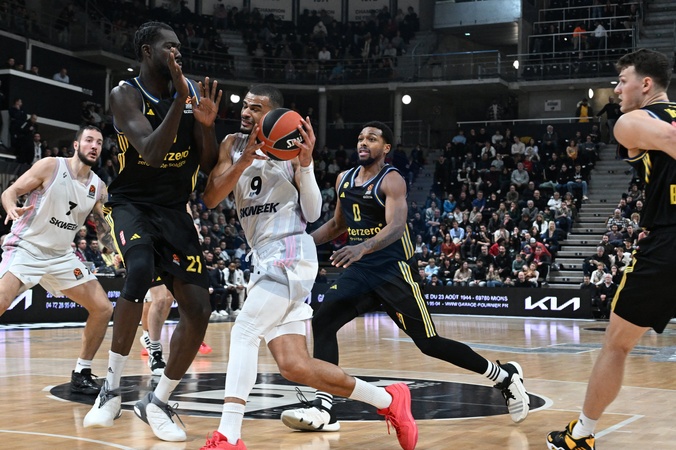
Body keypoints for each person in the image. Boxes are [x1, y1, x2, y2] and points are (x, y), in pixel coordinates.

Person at [199, 87, 418, 450]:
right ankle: (389, 399)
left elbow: (314, 213)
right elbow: (210, 198)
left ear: (275, 116)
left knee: (245, 330)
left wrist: (306, 163)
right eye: (245, 106)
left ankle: (229, 436)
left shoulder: (292, 152)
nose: (246, 112)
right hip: (262, 256)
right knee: (295, 366)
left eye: (256, 108)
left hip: (290, 250)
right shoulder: (232, 146)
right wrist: (241, 163)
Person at [281, 120, 529, 436]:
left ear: (386, 148)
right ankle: (324, 408)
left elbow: (397, 226)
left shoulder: (392, 179)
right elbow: (337, 225)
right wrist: (298, 246)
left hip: (394, 270)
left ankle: (504, 376)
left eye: (372, 138)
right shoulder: (344, 178)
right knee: (323, 320)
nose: (363, 142)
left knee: (429, 343)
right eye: (360, 138)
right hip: (361, 271)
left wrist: (363, 247)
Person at [83, 22, 222, 443]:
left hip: (174, 210)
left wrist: (207, 125)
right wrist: (180, 99)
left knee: (199, 307)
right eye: (168, 47)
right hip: (132, 205)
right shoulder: (125, 94)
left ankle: (157, 401)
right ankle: (111, 388)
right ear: (147, 51)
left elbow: (208, 163)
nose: (177, 53)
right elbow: (152, 152)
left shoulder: (192, 91)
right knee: (140, 269)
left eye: (179, 47)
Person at [547, 48, 676, 450]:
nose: (617, 89)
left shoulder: (631, 121)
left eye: (622, 81)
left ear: (646, 84)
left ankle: (581, 435)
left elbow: (671, 139)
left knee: (617, 344)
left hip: (668, 241)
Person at [0, 125, 113, 396]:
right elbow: (9, 192)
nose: (94, 146)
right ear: (76, 145)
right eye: (89, 140)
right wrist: (11, 207)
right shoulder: (51, 166)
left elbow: (103, 228)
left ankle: (81, 373)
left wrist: (116, 252)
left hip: (62, 255)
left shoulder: (98, 187)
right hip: (27, 247)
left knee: (103, 308)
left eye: (98, 142)